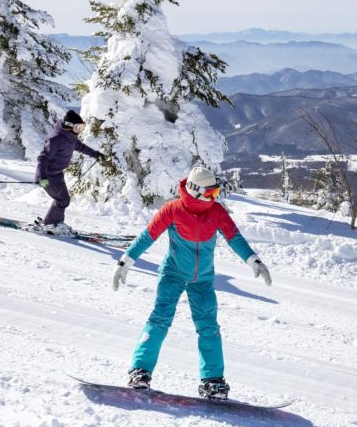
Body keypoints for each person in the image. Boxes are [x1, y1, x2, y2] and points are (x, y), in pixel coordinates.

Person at [112, 165, 272, 400]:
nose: (215, 197)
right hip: (173, 273)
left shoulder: (216, 212)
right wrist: (125, 261)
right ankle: (140, 371)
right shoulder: (173, 210)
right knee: (160, 319)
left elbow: (233, 236)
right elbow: (149, 235)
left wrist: (253, 260)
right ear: (196, 191)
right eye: (212, 193)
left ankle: (213, 381)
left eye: (216, 193)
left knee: (209, 327)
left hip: (203, 280)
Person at [35, 110, 102, 235]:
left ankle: (53, 222)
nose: (80, 130)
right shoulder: (55, 139)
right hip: (48, 176)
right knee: (62, 200)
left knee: (63, 200)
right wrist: (41, 177)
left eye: (82, 127)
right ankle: (50, 224)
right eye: (78, 127)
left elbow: (81, 147)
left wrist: (95, 154)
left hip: (57, 174)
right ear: (69, 125)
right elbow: (42, 158)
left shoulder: (70, 138)